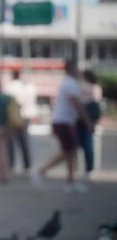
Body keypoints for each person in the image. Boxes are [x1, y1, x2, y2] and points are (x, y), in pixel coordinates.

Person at [34, 60, 93, 193]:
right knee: (69, 151)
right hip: (64, 122)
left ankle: (68, 180)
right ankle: (44, 172)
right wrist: (87, 122)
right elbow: (76, 105)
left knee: (69, 152)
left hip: (64, 122)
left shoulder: (67, 83)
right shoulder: (70, 84)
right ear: (73, 69)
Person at [5, 70, 37, 173]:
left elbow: (9, 102)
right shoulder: (30, 87)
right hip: (26, 116)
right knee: (24, 141)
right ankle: (27, 164)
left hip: (15, 117)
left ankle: (11, 164)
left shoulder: (12, 86)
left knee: (11, 142)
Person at [76, 70, 102, 180]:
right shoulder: (95, 87)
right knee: (87, 144)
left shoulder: (85, 87)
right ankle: (88, 169)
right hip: (88, 119)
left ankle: (86, 168)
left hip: (85, 118)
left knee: (85, 145)